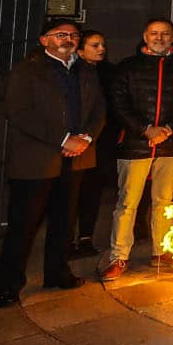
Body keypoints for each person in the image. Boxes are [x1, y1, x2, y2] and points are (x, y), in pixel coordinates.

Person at [0, 18, 105, 306]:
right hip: (36, 160)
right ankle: (8, 285)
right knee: (24, 224)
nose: (67, 39)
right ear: (44, 40)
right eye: (60, 35)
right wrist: (62, 139)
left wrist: (86, 139)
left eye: (73, 35)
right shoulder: (27, 70)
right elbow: (18, 112)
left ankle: (57, 272)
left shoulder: (86, 70)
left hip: (77, 158)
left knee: (65, 221)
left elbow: (99, 110)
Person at [101, 17, 173, 281]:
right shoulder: (128, 67)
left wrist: (170, 129)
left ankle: (162, 250)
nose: (159, 38)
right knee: (127, 203)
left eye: (165, 34)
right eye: (154, 33)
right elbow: (118, 105)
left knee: (164, 202)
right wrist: (146, 129)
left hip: (170, 145)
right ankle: (119, 256)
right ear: (145, 36)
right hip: (135, 144)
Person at [71, 28, 119, 258]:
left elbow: (111, 106)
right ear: (80, 51)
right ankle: (67, 239)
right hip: (75, 141)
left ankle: (86, 236)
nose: (101, 49)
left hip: (103, 139)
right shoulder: (72, 72)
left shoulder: (109, 72)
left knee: (92, 190)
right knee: (72, 191)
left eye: (102, 45)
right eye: (95, 45)